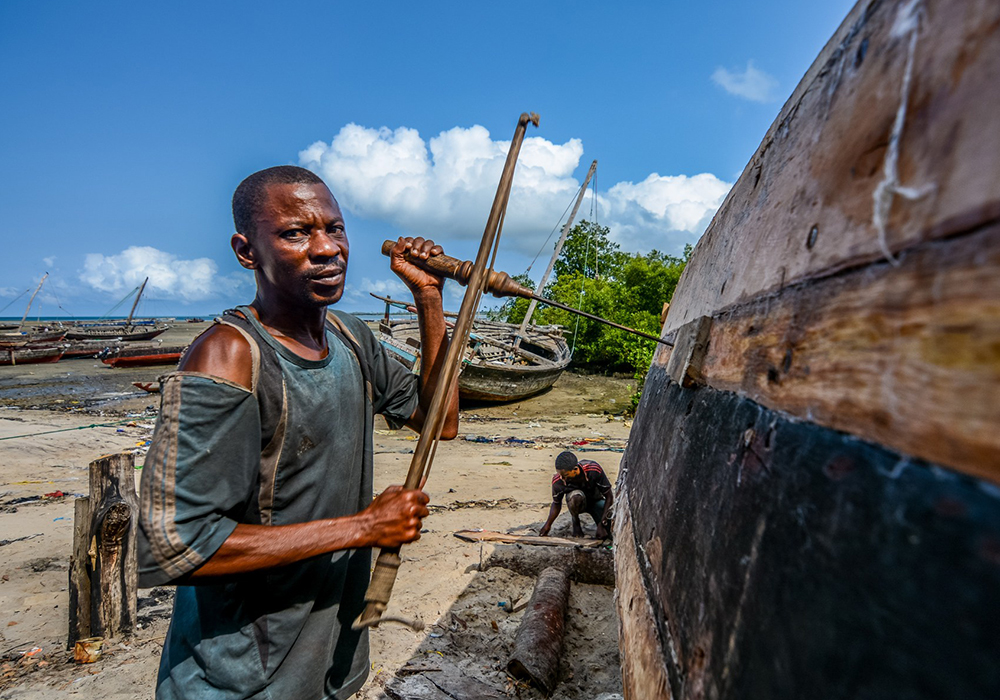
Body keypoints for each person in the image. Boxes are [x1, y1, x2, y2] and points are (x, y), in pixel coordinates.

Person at [136, 165, 459, 700]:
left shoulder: (349, 336)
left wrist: (429, 299)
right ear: (246, 251)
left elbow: (439, 422)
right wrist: (363, 528)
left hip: (326, 657)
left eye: (334, 229)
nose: (326, 248)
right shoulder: (229, 357)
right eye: (295, 233)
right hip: (240, 676)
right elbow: (175, 546)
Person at [538, 451, 614, 540]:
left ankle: (599, 520)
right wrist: (547, 525)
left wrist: (602, 523)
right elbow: (556, 504)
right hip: (578, 503)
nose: (562, 478)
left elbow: (609, 496)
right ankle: (575, 521)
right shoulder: (558, 481)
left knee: (609, 531)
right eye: (560, 475)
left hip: (595, 500)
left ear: (575, 469)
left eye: (565, 475)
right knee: (576, 497)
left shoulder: (593, 470)